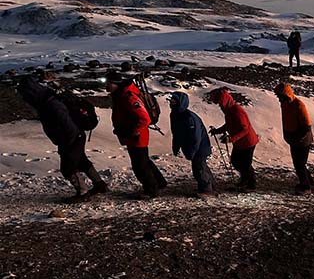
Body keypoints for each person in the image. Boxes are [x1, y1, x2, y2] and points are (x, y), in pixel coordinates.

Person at [17, 77, 107, 202]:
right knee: (81, 161)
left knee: (68, 167)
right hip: (74, 136)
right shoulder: (46, 100)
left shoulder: (50, 103)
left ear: (31, 93)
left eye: (25, 95)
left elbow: (66, 122)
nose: (24, 98)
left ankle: (83, 193)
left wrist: (68, 141)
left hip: (71, 137)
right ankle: (100, 184)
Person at [106, 71, 167, 199]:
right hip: (134, 136)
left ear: (116, 84)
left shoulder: (128, 97)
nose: (106, 86)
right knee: (143, 161)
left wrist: (133, 131)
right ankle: (159, 182)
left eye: (108, 83)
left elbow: (144, 118)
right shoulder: (122, 95)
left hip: (137, 137)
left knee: (140, 165)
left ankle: (151, 190)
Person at [209, 88, 259, 192]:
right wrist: (217, 131)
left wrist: (231, 139)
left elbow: (245, 129)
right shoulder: (229, 111)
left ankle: (251, 185)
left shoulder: (236, 111)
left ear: (225, 101)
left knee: (245, 164)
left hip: (248, 142)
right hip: (240, 142)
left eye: (220, 103)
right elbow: (229, 125)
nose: (220, 106)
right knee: (236, 162)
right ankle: (244, 180)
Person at [169, 91, 215, 196]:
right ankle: (210, 185)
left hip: (200, 147)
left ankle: (206, 189)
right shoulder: (175, 115)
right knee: (201, 166)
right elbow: (176, 133)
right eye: (171, 101)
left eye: (174, 101)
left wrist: (191, 151)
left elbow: (195, 137)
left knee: (199, 168)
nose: (171, 103)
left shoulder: (189, 118)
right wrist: (176, 146)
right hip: (193, 147)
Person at [274, 83, 313, 195]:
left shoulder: (299, 105)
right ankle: (308, 180)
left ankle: (306, 187)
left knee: (299, 164)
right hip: (293, 139)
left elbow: (306, 127)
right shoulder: (285, 104)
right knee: (299, 163)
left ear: (286, 95)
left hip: (302, 140)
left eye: (280, 97)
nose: (279, 99)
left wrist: (297, 138)